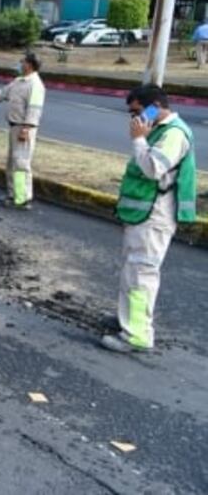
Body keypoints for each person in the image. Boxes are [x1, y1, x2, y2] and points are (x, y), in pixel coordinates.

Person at [101, 86, 197, 353]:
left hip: (155, 218)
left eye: (137, 112)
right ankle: (127, 320)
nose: (134, 119)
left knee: (141, 274)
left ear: (155, 105)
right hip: (144, 215)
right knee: (132, 271)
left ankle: (137, 335)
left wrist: (139, 139)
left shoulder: (173, 134)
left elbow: (153, 169)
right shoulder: (159, 129)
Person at [0, 53, 46, 209]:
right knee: (11, 162)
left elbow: (34, 109)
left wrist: (26, 128)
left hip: (24, 127)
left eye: (23, 62)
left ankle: (23, 197)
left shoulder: (35, 85)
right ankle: (12, 193)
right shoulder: (18, 82)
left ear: (29, 65)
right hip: (14, 126)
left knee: (21, 163)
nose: (20, 64)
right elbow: (2, 93)